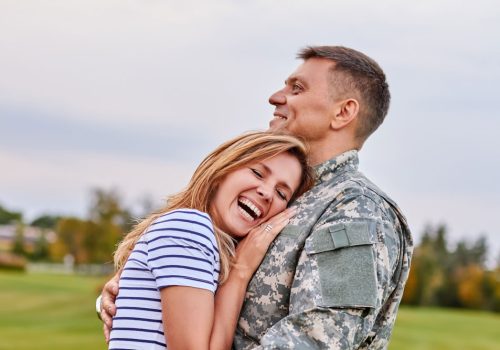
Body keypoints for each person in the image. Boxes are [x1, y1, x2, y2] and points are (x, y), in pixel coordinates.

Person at [100, 45, 413, 349]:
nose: (275, 97)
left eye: (298, 88)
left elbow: (319, 339)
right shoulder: (280, 199)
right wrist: (136, 292)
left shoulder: (356, 210)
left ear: (343, 112)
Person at [107, 131, 315, 349]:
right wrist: (239, 273)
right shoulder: (191, 227)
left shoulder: (201, 240)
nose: (267, 193)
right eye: (257, 173)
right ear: (221, 172)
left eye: (282, 193)